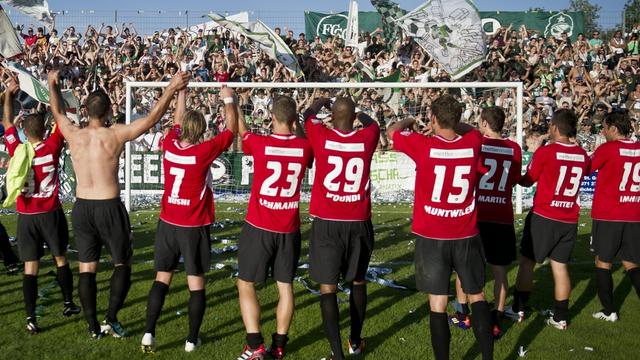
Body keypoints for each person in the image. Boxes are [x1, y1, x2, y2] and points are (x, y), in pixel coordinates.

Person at [47, 69, 190, 339]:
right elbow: (151, 120)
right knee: (122, 264)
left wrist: (52, 83)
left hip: (82, 207)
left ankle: (92, 327)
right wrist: (171, 89)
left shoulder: (73, 133)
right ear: (110, 111)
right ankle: (110, 318)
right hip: (109, 206)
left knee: (86, 268)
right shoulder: (115, 134)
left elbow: (56, 111)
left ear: (86, 110)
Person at [387, 95, 494, 360]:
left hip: (432, 235)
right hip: (466, 232)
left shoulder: (423, 145)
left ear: (433, 119)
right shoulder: (472, 142)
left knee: (438, 302)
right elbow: (473, 130)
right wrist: (454, 124)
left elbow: (392, 131)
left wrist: (413, 118)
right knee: (477, 295)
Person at [140, 86, 238, 353]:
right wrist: (229, 99)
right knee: (196, 283)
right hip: (193, 225)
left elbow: (175, 122)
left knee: (162, 278)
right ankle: (192, 340)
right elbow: (231, 131)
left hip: (168, 221)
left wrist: (181, 94)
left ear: (182, 129)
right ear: (203, 130)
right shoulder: (204, 151)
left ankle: (148, 332)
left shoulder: (169, 144)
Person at [235, 96, 312, 360]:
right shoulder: (304, 148)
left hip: (259, 225)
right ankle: (279, 346)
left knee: (245, 283)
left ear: (272, 117)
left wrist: (233, 104)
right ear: (293, 120)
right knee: (285, 286)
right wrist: (297, 122)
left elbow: (242, 132)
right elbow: (305, 146)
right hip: (288, 228)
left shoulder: (261, 143)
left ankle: (255, 344)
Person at [3, 78, 81, 334]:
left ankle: (30, 316)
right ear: (44, 131)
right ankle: (69, 302)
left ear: (24, 131)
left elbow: (6, 123)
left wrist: (8, 96)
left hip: (26, 216)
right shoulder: (52, 146)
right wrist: (52, 87)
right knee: (60, 259)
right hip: (50, 213)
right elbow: (60, 117)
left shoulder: (17, 150)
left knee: (31, 266)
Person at [303, 97, 379, 360]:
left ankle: (337, 354)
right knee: (358, 281)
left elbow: (307, 114)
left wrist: (322, 101)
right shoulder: (368, 137)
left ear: (333, 117)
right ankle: (355, 342)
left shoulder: (321, 135)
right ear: (354, 116)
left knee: (328, 288)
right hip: (358, 221)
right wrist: (360, 115)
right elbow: (373, 123)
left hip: (327, 222)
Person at [508, 109, 590, 330]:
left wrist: (513, 176)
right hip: (569, 218)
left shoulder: (547, 152)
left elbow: (528, 180)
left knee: (527, 262)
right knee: (560, 267)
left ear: (554, 127)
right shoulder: (582, 154)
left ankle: (517, 309)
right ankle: (560, 316)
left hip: (544, 217)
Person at [449, 107, 522, 339]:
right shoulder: (514, 148)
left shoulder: (477, 142)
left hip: (476, 214)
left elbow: (458, 129)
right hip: (502, 215)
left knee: (465, 266)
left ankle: (463, 313)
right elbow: (515, 179)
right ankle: (497, 315)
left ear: (483, 122)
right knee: (500, 270)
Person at [590, 111, 640, 322]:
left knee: (603, 261)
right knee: (631, 263)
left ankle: (609, 310)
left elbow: (587, 168)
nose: (602, 132)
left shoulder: (608, 148)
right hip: (635, 214)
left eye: (604, 127)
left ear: (613, 128)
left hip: (609, 214)